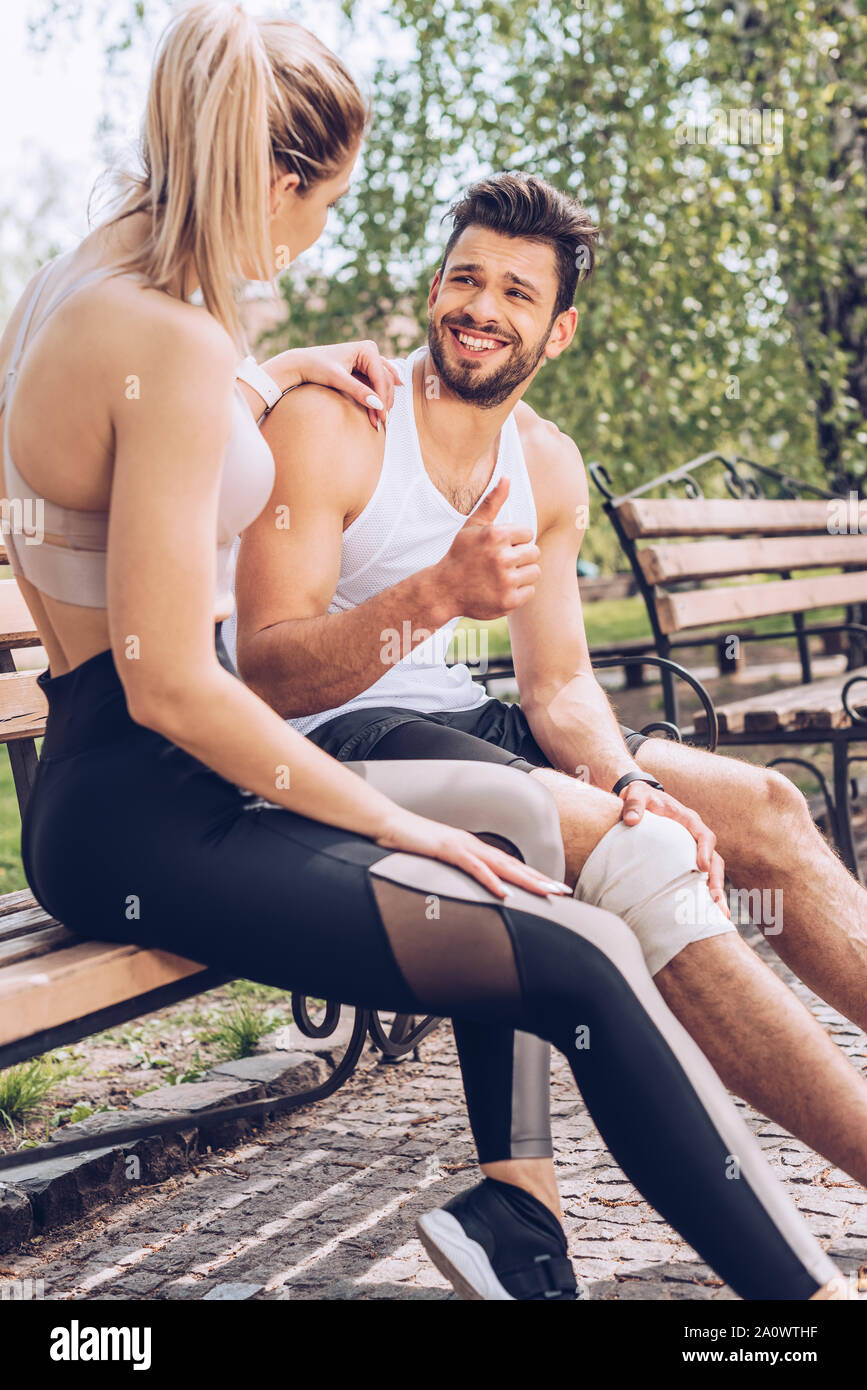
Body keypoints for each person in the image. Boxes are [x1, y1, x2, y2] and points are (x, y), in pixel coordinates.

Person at [0, 1, 854, 1302]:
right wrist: (410, 828)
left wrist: (261, 369)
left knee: (602, 874)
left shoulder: (94, 282)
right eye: (323, 201)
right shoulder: (169, 340)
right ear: (267, 175)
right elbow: (180, 677)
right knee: (565, 925)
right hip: (149, 799)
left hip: (131, 777)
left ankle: (540, 1228)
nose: (322, 233)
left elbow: (96, 484)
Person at [231, 168, 867, 1292]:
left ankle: (520, 1216)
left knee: (759, 810)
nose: (481, 306)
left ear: (558, 329)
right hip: (344, 750)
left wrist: (626, 777)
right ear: (435, 290)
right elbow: (270, 673)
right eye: (465, 277)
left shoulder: (547, 465)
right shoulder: (339, 424)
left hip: (478, 733)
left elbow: (560, 687)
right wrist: (437, 593)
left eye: (517, 293)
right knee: (654, 867)